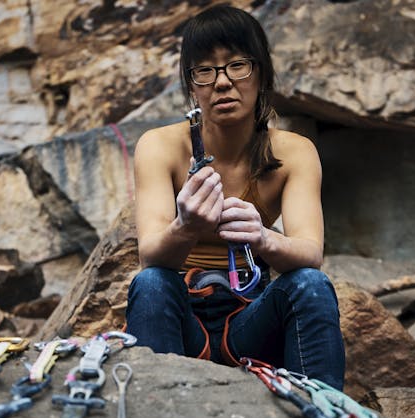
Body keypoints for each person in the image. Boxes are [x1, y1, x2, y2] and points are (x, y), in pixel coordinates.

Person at [125, 5, 346, 390]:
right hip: (183, 315)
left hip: (251, 319)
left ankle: (319, 409)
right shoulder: (158, 146)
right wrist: (185, 227)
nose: (222, 82)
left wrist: (263, 238)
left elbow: (310, 254)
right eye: (205, 70)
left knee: (310, 284)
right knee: (152, 285)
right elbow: (150, 256)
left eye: (237, 65)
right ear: (192, 85)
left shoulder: (294, 152)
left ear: (261, 73)